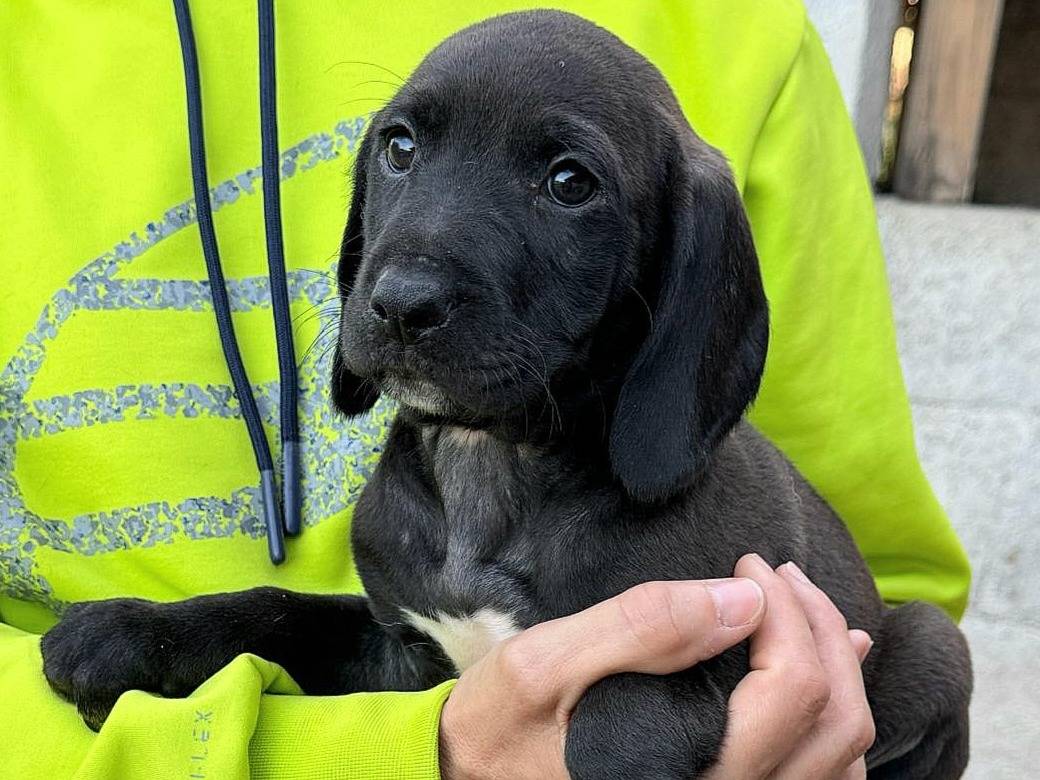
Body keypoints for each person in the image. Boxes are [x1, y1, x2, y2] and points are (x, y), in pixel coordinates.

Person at [0, 1, 969, 777]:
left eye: (565, 182)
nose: (409, 280)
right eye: (404, 150)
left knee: (924, 656)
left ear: (677, 259)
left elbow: (863, 608)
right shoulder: (399, 521)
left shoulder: (746, 43)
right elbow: (397, 655)